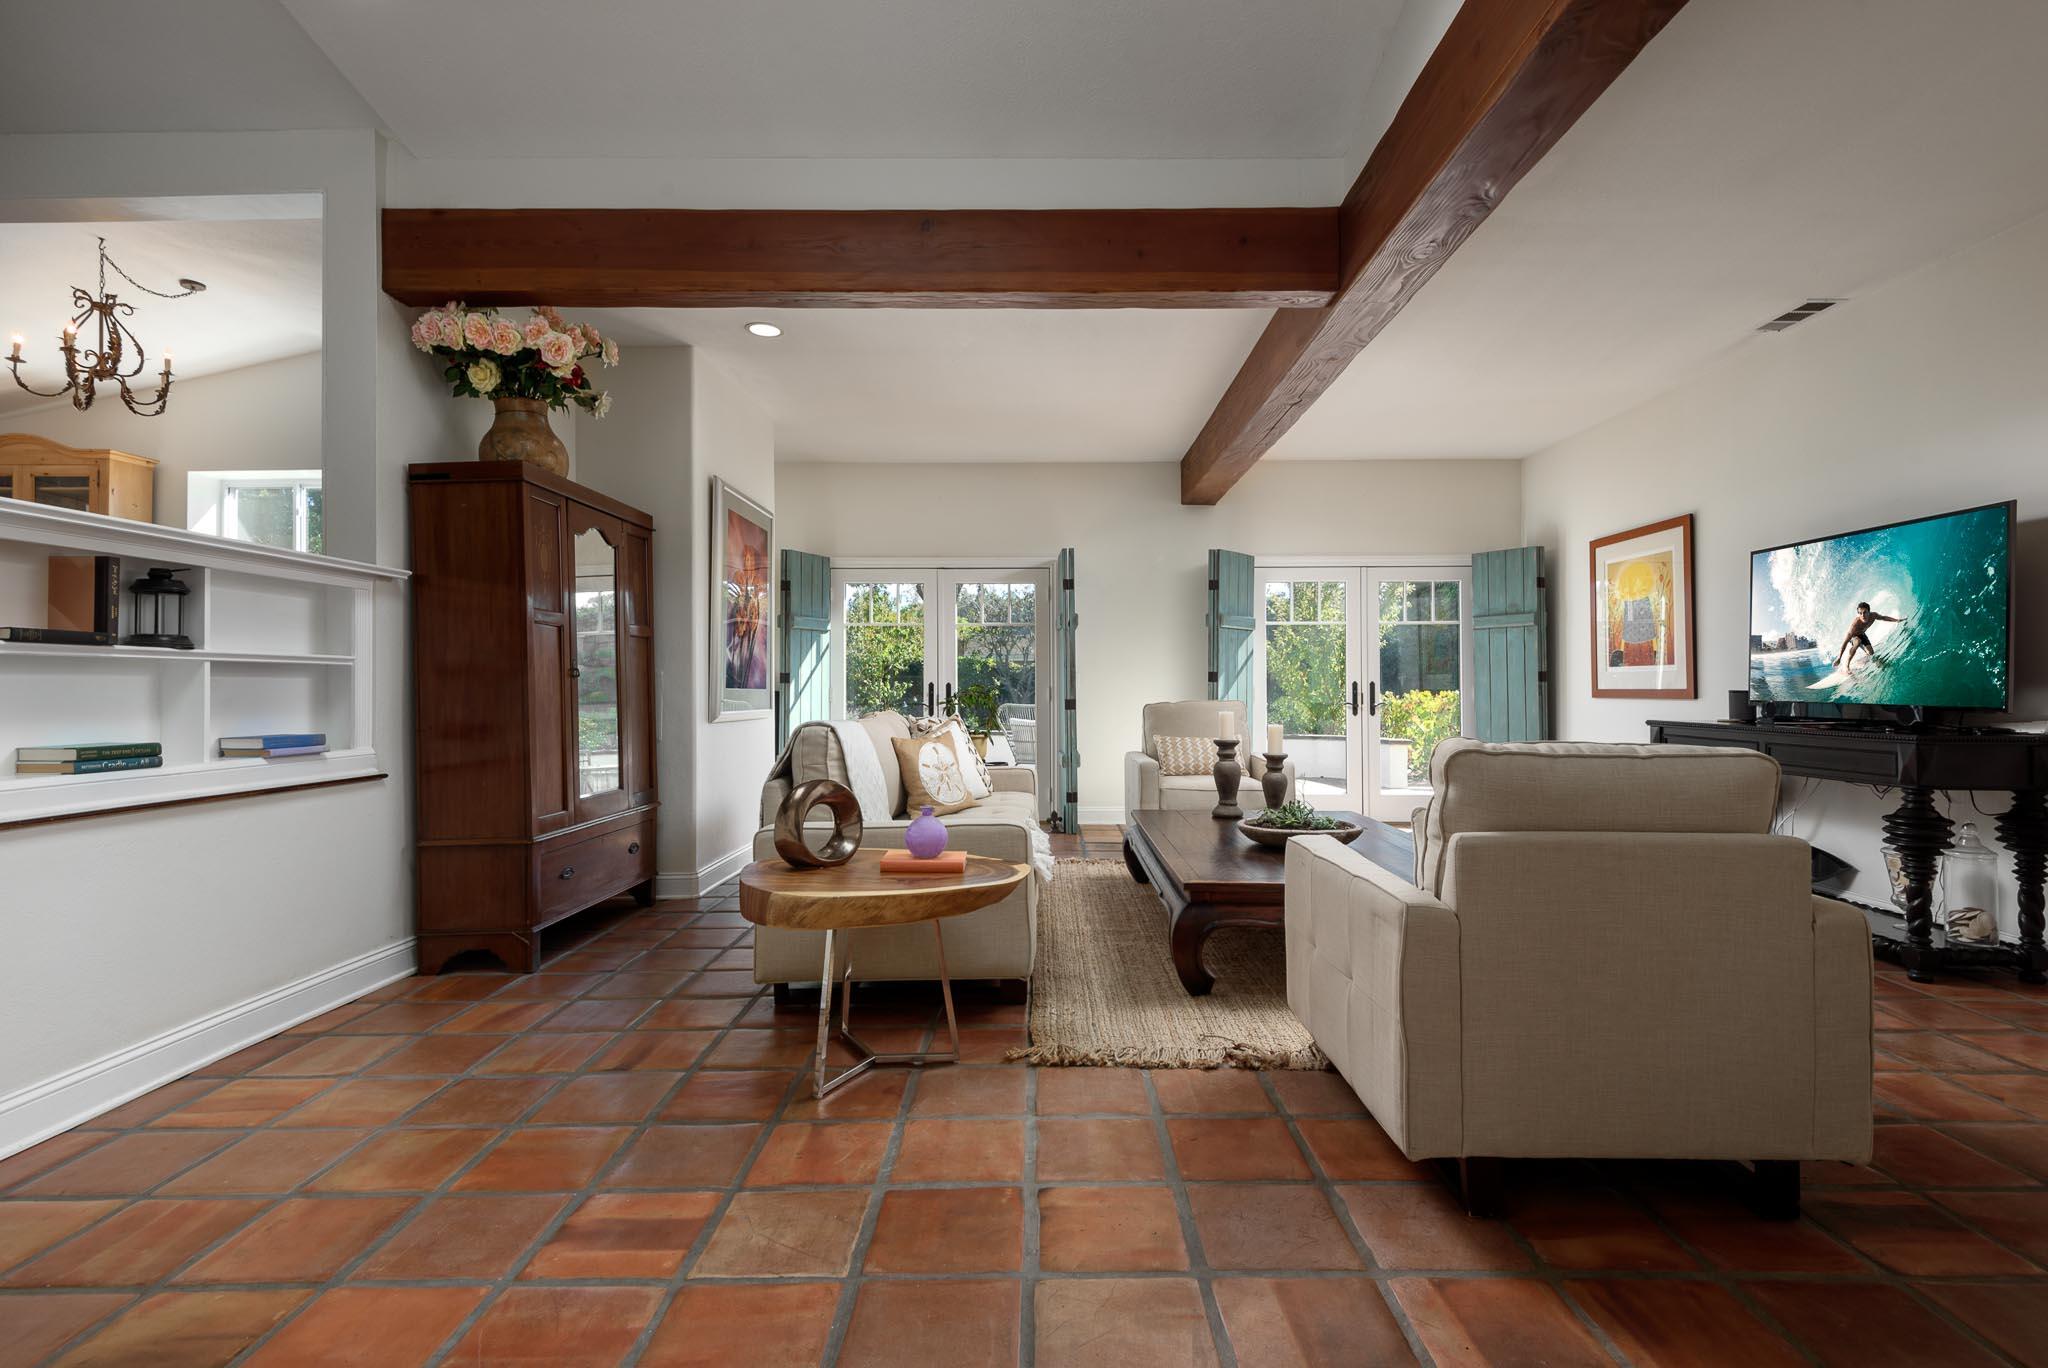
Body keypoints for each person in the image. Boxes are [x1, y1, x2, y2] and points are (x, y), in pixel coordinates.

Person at [1835, 602, 1902, 667]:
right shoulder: (1855, 625)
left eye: (1865, 612)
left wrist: (1897, 620)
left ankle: (1862, 660)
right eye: (1860, 613)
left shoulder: (1873, 616)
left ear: (1869, 612)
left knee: (1871, 653)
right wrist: (1839, 658)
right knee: (1857, 642)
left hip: (1862, 634)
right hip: (1853, 636)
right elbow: (1845, 642)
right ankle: (1847, 665)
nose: (1862, 615)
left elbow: (1883, 618)